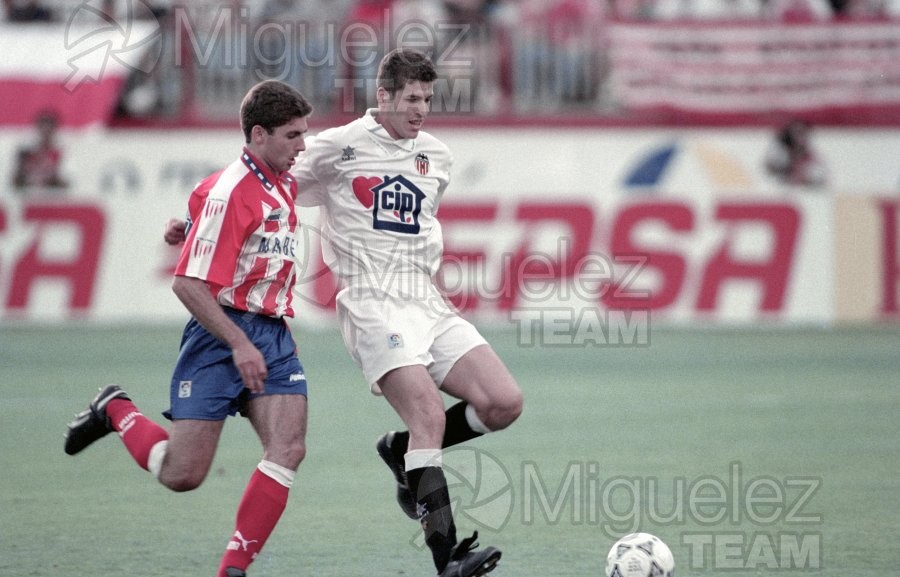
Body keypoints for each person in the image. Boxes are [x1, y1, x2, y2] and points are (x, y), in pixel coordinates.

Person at [65, 79, 313, 577]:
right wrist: (238, 343)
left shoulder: (279, 180)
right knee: (182, 475)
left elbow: (203, 202)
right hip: (221, 335)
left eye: (304, 134)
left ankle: (232, 568)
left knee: (288, 448)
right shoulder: (233, 192)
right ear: (258, 135)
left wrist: (185, 223)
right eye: (293, 135)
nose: (302, 146)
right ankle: (116, 409)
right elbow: (187, 285)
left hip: (272, 336)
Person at [295, 47, 523, 576]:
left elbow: (417, 228)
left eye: (427, 99)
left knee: (503, 403)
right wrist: (199, 221)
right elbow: (271, 185)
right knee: (428, 417)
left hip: (425, 300)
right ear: (384, 95)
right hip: (372, 302)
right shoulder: (338, 147)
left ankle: (402, 452)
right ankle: (448, 559)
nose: (421, 109)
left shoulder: (436, 156)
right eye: (412, 98)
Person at [12, 110, 68, 192]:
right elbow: (15, 181)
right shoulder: (25, 152)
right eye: (43, 126)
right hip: (27, 195)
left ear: (55, 129)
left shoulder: (59, 152)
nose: (46, 131)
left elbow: (65, 183)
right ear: (37, 128)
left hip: (51, 196)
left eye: (50, 127)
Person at [764, 119, 828, 188]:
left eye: (802, 134)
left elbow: (818, 166)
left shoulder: (807, 150)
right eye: (797, 134)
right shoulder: (781, 150)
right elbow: (772, 167)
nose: (800, 137)